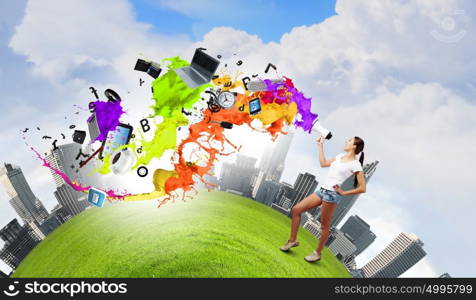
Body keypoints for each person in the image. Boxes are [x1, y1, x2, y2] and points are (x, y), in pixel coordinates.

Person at [280, 136, 367, 262]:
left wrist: (343, 192)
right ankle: (292, 240)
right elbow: (323, 163)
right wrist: (320, 146)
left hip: (332, 195)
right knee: (297, 209)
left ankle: (317, 253)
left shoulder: (356, 164)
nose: (345, 141)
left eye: (349, 140)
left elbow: (362, 188)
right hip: (321, 191)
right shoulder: (339, 156)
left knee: (324, 226)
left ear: (354, 146)